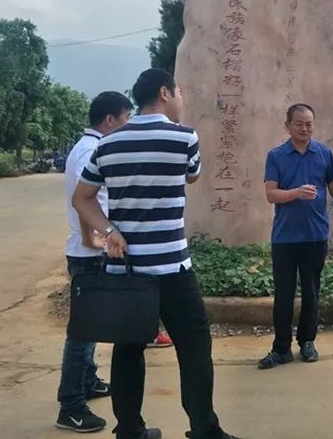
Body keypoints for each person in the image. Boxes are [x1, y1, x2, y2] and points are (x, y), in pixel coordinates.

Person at [73, 68, 241, 439]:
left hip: (125, 269)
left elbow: (81, 199)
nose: (182, 99)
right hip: (172, 268)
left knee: (129, 348)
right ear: (164, 93)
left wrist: (111, 230)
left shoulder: (108, 144)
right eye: (179, 93)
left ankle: (130, 430)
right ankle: (203, 429)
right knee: (194, 346)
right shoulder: (184, 138)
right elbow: (193, 176)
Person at [56, 91, 133, 433]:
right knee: (82, 333)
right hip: (88, 253)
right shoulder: (91, 150)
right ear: (111, 120)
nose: (127, 125)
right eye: (126, 118)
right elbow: (85, 201)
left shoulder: (88, 146)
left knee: (91, 326)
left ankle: (88, 380)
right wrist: (92, 239)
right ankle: (71, 405)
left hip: (89, 249)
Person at [259, 103, 333, 369]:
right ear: (287, 125)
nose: (304, 128)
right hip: (285, 238)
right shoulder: (276, 156)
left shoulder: (323, 153)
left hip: (315, 235)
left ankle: (307, 342)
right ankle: (280, 348)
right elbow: (271, 194)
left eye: (309, 124)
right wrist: (296, 193)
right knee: (284, 294)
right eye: (299, 123)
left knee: (312, 292)